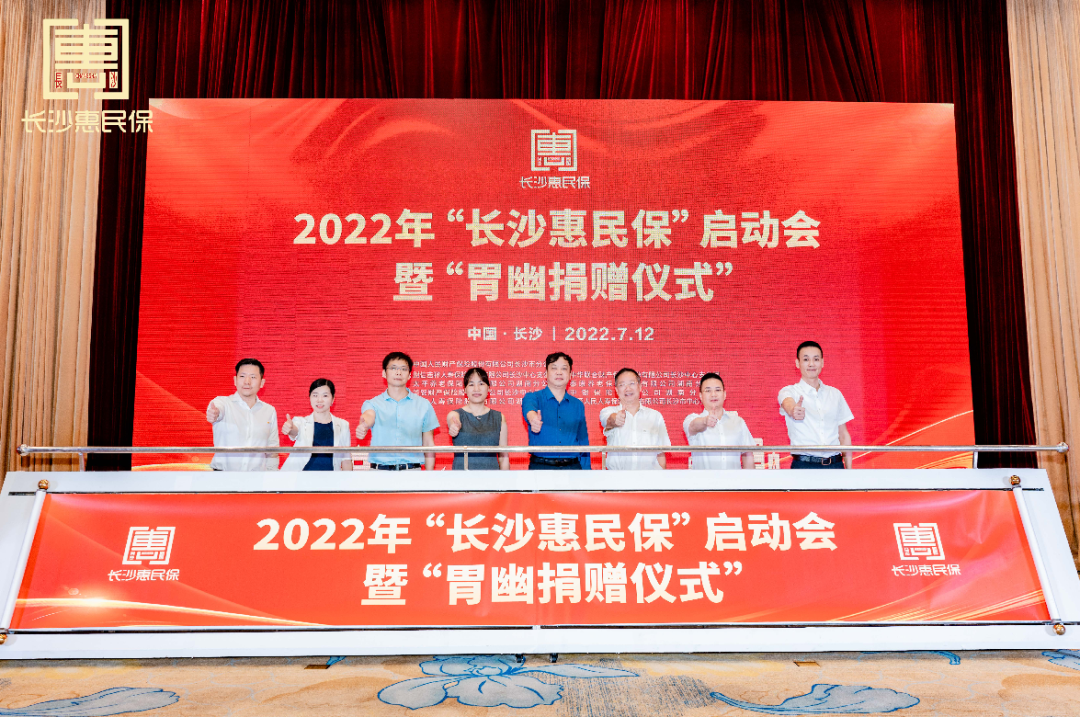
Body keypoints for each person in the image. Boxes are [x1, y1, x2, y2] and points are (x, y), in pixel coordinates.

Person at [355, 351, 439, 470]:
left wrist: (429, 475)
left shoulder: (423, 405)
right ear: (384, 373)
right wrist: (364, 426)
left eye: (403, 369)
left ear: (409, 375)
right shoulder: (373, 403)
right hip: (379, 472)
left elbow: (429, 443)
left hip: (412, 471)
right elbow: (369, 416)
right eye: (393, 368)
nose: (398, 372)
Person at [778, 341, 854, 469]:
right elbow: (787, 403)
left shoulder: (835, 394)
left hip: (835, 465)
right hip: (804, 466)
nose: (811, 364)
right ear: (797, 363)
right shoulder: (789, 391)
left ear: (822, 362)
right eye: (806, 359)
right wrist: (793, 410)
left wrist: (849, 469)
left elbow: (843, 434)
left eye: (816, 359)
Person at [205, 358, 280, 471]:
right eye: (242, 376)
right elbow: (217, 409)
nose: (247, 382)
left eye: (253, 377)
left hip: (257, 478)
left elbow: (272, 449)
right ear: (235, 380)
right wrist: (214, 414)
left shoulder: (269, 411)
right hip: (222, 477)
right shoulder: (223, 403)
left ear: (262, 383)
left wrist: (273, 475)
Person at [521, 352, 590, 470]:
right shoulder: (533, 397)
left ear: (570, 374)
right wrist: (533, 419)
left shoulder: (578, 405)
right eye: (554, 368)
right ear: (546, 373)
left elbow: (583, 440)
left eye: (564, 368)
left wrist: (587, 471)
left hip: (572, 467)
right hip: (541, 467)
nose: (559, 372)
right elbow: (529, 408)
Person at [599, 367, 670, 470]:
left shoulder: (655, 416)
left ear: (640, 386)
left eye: (632, 383)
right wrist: (615, 419)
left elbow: (660, 453)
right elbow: (609, 420)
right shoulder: (607, 411)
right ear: (616, 390)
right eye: (622, 385)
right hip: (618, 477)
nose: (627, 388)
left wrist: (662, 477)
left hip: (649, 477)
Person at [683, 373, 756, 470]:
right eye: (708, 390)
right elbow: (693, 426)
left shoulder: (738, 422)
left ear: (724, 394)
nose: (713, 394)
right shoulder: (692, 419)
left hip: (734, 480)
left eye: (718, 390)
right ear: (700, 396)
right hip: (704, 480)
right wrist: (705, 421)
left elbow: (748, 456)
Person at [280, 378, 352, 471]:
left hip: (331, 478)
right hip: (302, 477)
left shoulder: (343, 425)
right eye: (315, 395)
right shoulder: (301, 422)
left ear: (333, 399)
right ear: (310, 398)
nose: (319, 400)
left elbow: (346, 460)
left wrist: (349, 479)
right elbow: (295, 430)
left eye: (325, 395)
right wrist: (290, 428)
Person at [447, 367, 509, 470]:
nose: (476, 389)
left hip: (491, 477)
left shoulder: (499, 417)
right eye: (471, 384)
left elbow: (504, 457)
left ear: (488, 388)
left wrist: (506, 479)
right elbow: (453, 420)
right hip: (461, 478)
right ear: (465, 389)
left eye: (481, 384)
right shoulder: (455, 414)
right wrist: (454, 427)